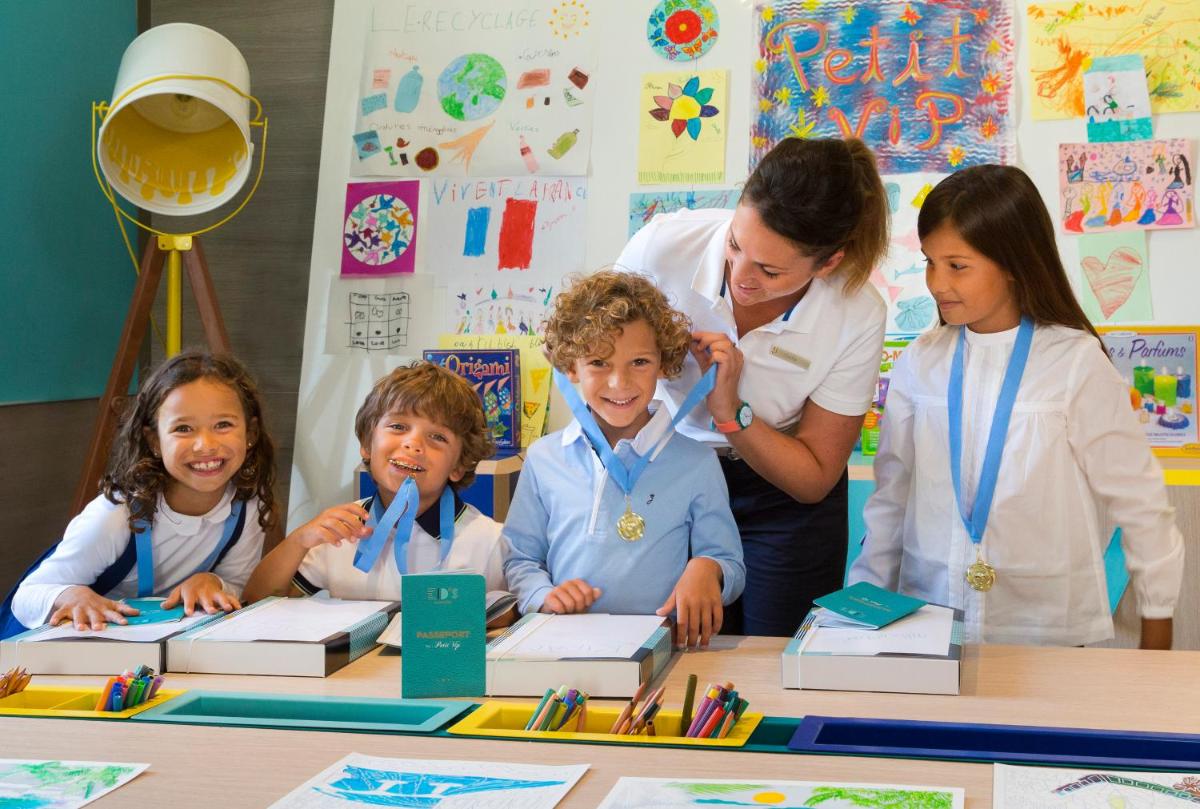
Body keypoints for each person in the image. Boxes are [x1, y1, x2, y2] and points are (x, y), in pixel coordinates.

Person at [849, 165, 1184, 648]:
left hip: (1048, 630)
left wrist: (1157, 622)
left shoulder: (1073, 361)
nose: (937, 283)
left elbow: (1139, 500)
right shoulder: (920, 362)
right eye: (929, 262)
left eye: (957, 265)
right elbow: (889, 504)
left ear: (1013, 262)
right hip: (932, 624)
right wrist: (863, 609)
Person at [615, 137, 890, 636]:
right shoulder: (662, 247)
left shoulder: (856, 310)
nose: (739, 276)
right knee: (663, 646)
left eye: (769, 271)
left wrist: (730, 411)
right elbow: (594, 362)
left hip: (782, 497)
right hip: (670, 474)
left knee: (774, 663)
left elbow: (812, 479)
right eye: (736, 245)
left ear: (827, 263)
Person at [502, 271, 745, 649]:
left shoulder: (697, 462)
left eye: (639, 362)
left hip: (665, 649)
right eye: (599, 362)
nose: (619, 383)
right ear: (570, 367)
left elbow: (730, 563)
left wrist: (707, 568)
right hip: (565, 646)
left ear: (663, 363)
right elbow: (519, 559)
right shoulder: (544, 458)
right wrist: (543, 596)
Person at [3, 351, 277, 636]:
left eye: (223, 425)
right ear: (154, 441)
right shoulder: (115, 515)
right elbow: (28, 595)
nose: (205, 445)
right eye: (183, 428)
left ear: (251, 433)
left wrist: (213, 582)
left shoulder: (248, 505)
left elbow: (238, 583)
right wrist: (70, 596)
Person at [244, 362, 508, 607]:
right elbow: (256, 602)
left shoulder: (490, 541)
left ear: (459, 466)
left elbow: (514, 617)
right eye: (398, 426)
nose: (413, 444)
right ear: (367, 444)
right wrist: (300, 540)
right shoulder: (340, 531)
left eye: (437, 436)